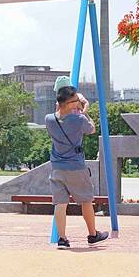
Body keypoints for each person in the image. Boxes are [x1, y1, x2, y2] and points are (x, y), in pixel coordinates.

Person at [45, 76, 108, 249]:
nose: (77, 102)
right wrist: (84, 111)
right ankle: (93, 234)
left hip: (57, 167)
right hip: (76, 167)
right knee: (86, 201)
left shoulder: (49, 119)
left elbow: (60, 113)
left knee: (60, 204)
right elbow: (92, 129)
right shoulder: (79, 119)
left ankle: (62, 238)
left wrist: (73, 107)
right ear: (68, 103)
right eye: (75, 100)